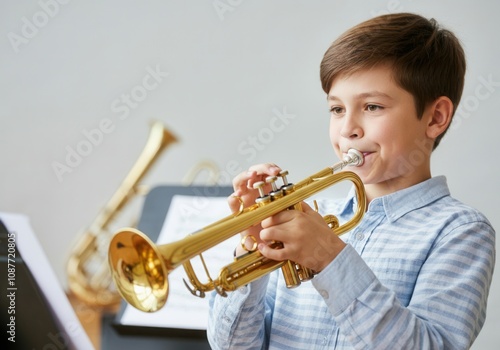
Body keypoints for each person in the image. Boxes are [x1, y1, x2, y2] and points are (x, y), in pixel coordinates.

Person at [207, 12, 496, 349]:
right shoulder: (310, 218)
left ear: (435, 117)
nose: (348, 129)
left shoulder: (461, 231)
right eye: (337, 109)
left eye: (372, 107)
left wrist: (329, 258)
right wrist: (252, 250)